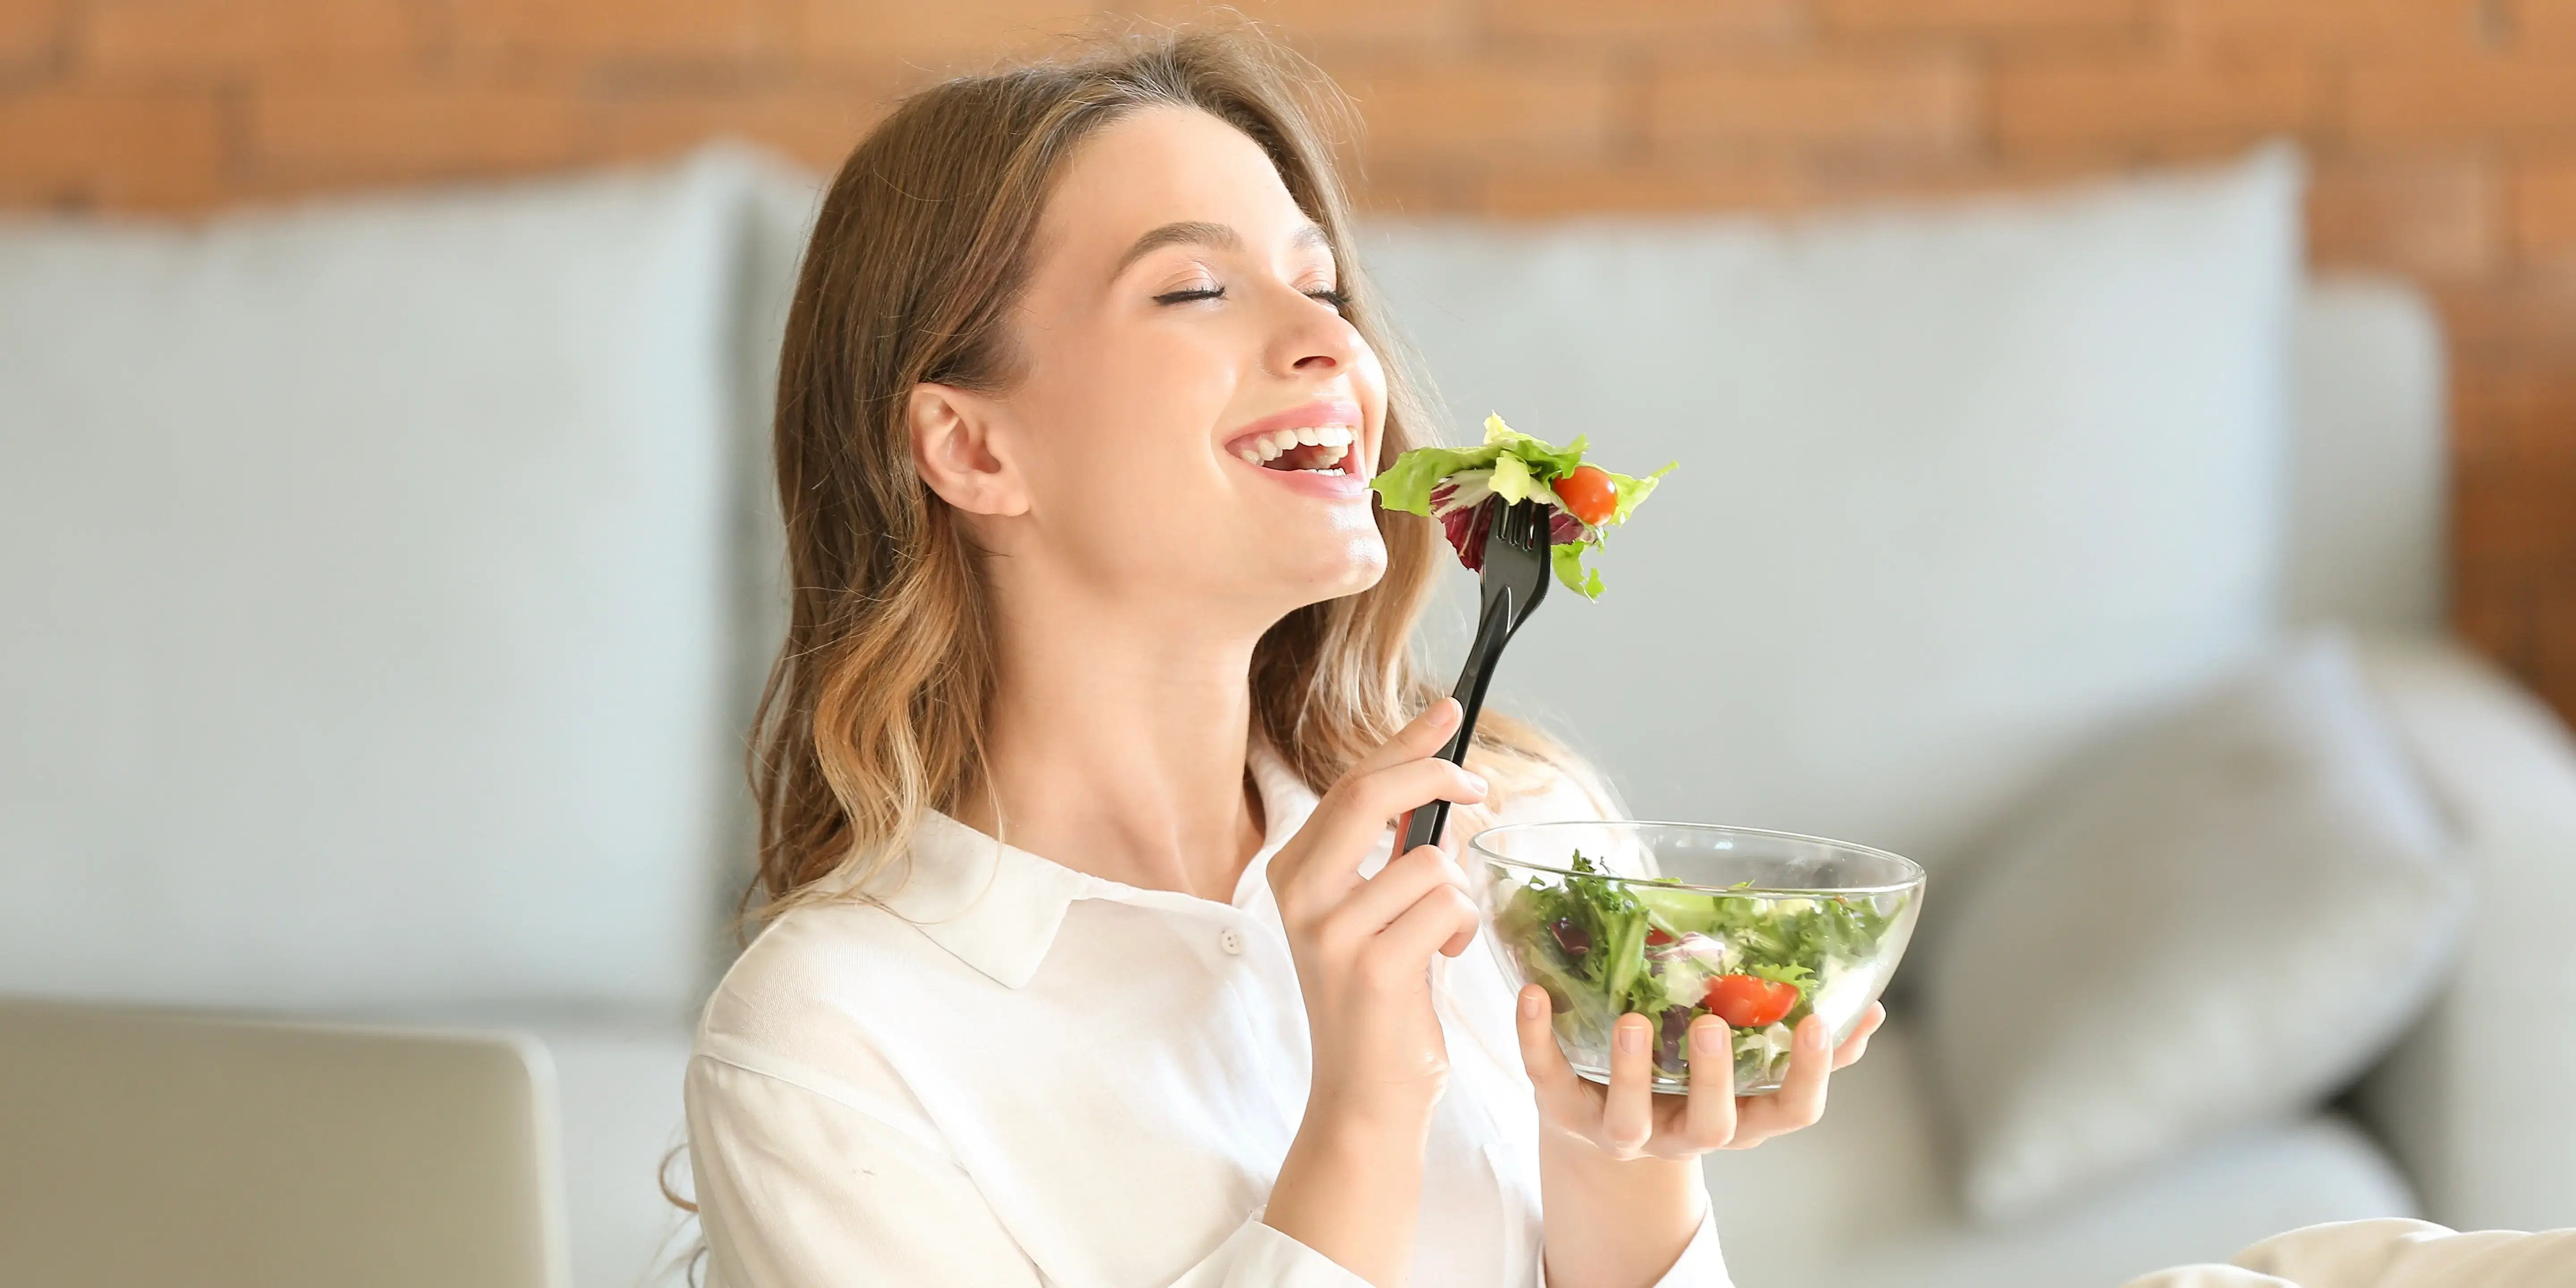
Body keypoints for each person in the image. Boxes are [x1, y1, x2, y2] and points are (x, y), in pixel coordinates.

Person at [678, 20, 1882, 1288]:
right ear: (975, 450)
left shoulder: (1524, 842)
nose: (1335, 349)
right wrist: (1362, 1116)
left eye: (1324, 287)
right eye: (1195, 289)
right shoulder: (829, 1043)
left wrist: (1616, 1162)